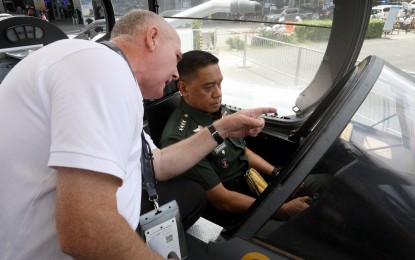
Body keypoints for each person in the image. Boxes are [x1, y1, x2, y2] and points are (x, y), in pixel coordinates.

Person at [0, 9, 275, 259]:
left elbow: (157, 164)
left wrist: (223, 128)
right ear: (153, 38)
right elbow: (87, 228)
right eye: (176, 58)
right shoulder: (100, 67)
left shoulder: (110, 75)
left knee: (191, 195)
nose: (176, 73)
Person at [160, 50, 316, 227]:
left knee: (322, 182)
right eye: (208, 87)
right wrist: (282, 210)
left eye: (219, 84)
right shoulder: (181, 140)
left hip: (256, 186)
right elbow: (222, 200)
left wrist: (277, 174)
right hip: (236, 215)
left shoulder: (218, 111)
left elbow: (242, 151)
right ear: (183, 88)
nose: (218, 94)